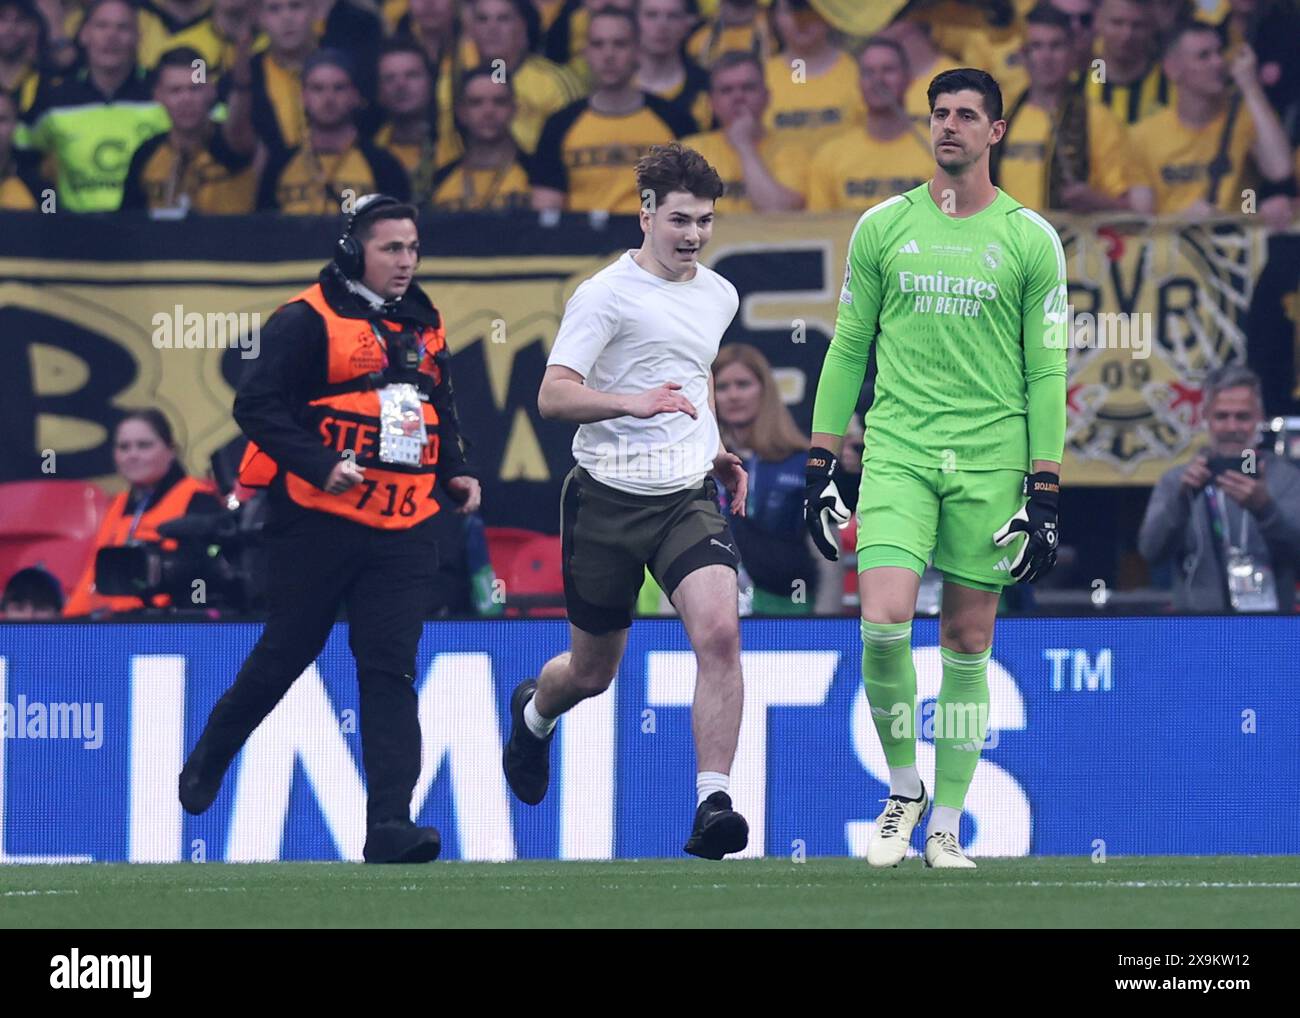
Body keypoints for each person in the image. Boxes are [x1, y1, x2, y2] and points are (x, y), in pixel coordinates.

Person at [804, 68, 1067, 869]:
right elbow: (850, 344)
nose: (948, 126)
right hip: (900, 452)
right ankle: (903, 786)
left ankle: (947, 823)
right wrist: (821, 462)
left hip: (991, 459)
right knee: (883, 621)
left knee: (966, 639)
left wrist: (1044, 488)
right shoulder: (884, 226)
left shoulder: (1030, 238)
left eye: (966, 115)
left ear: (995, 133)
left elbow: (1047, 372)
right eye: (939, 114)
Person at [179, 194, 482, 865]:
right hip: (316, 523)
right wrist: (320, 464)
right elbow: (254, 405)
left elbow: (440, 403)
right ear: (355, 252)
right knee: (287, 651)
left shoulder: (422, 321)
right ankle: (211, 754)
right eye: (390, 249)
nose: (405, 261)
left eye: (411, 248)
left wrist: (455, 470)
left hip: (404, 525)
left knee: (389, 670)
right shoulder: (304, 320)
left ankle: (390, 827)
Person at [505, 143, 752, 860]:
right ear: (645, 214)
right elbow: (552, 395)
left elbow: (688, 378)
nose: (694, 236)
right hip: (605, 501)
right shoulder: (603, 295)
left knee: (720, 635)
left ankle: (713, 805)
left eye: (705, 221)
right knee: (591, 673)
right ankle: (534, 713)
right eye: (680, 219)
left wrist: (712, 450)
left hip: (684, 498)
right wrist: (629, 404)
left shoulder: (718, 293)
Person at [1137, 364, 1300, 612]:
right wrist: (1181, 501)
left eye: (1243, 417)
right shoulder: (1179, 480)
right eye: (1222, 416)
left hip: (1269, 630)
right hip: (1197, 628)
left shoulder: (1285, 477)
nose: (1232, 427)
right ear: (1205, 419)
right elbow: (1151, 552)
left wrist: (1266, 510)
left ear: (1260, 418)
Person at [713, 342, 839, 615]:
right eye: (722, 387)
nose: (733, 395)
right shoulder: (702, 464)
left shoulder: (803, 461)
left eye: (743, 384)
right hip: (716, 612)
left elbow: (826, 552)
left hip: (791, 612)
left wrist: (828, 622)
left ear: (765, 390)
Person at [1129, 22, 1294, 228]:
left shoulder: (1245, 116)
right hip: (1173, 252)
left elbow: (1280, 169)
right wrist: (1181, 221)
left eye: (1219, 52)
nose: (1217, 62)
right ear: (1172, 69)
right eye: (1203, 56)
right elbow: (1139, 223)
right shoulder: (1142, 136)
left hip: (1234, 251)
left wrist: (1250, 86)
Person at [530, 7, 694, 214]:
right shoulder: (559, 124)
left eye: (620, 44)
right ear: (586, 53)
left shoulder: (677, 120)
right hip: (580, 242)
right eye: (598, 44)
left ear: (637, 50)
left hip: (653, 241)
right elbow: (546, 210)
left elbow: (694, 199)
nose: (609, 55)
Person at [64, 409, 223, 617]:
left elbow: (205, 573)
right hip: (111, 625)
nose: (132, 455)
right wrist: (69, 623)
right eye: (124, 447)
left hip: (167, 625)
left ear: (171, 450)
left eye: (144, 445)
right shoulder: (118, 504)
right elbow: (92, 576)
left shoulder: (197, 497)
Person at [993, 4, 1142, 215]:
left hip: (1069, 245)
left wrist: (1094, 200)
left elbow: (1130, 211)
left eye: (1056, 46)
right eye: (1036, 46)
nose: (1046, 57)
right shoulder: (1000, 116)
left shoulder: (1099, 119)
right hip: (1005, 244)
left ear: (1073, 53)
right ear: (1023, 55)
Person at [22, 0, 170, 212]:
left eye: (123, 27)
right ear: (84, 35)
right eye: (102, 26)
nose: (112, 36)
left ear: (138, 37)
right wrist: (50, 210)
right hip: (77, 230)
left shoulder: (161, 94)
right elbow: (22, 159)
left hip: (146, 228)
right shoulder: (55, 99)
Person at [257, 49, 410, 213]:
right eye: (318, 88)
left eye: (339, 88)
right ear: (303, 97)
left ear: (355, 95)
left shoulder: (384, 166)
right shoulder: (279, 165)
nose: (328, 98)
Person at [120, 45, 258, 214]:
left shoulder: (231, 144)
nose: (186, 99)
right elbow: (129, 223)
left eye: (195, 89)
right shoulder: (146, 153)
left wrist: (241, 78)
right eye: (175, 91)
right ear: (158, 95)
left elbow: (239, 125)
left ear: (210, 91)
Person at [804, 36, 933, 213]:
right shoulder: (830, 155)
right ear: (858, 83)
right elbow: (819, 228)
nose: (877, 80)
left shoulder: (934, 150)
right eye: (868, 72)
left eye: (888, 70)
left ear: (909, 78)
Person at [679, 49, 805, 214]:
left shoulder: (792, 151)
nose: (738, 97)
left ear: (767, 97)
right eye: (726, 90)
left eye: (748, 88)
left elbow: (779, 210)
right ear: (712, 103)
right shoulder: (688, 153)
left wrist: (744, 147)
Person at [427, 66, 532, 212]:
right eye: (476, 102)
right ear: (461, 112)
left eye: (499, 101)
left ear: (513, 109)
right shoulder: (440, 179)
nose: (488, 111)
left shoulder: (536, 172)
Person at [762, 0, 862, 150]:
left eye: (811, 10)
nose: (801, 20)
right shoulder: (757, 79)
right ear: (774, 17)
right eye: (791, 11)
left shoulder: (860, 73)